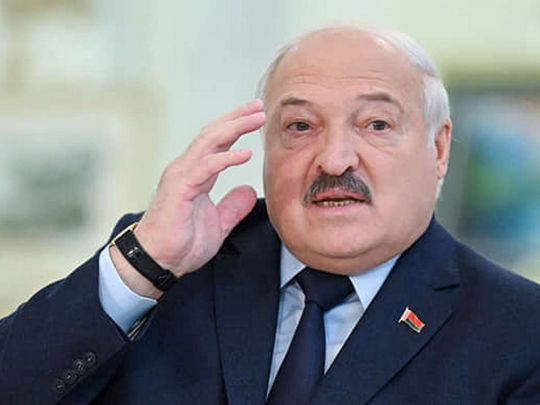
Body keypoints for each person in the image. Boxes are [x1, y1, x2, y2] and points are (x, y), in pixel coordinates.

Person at [1, 24, 540, 405]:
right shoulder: (170, 267)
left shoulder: (520, 332)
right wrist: (144, 264)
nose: (334, 160)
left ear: (438, 148)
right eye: (300, 127)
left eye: (376, 125)